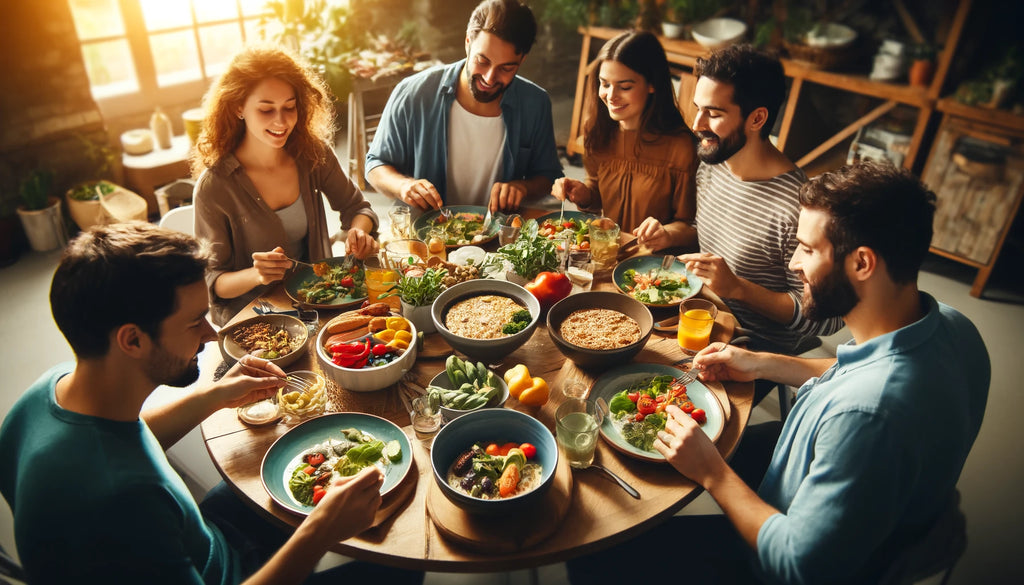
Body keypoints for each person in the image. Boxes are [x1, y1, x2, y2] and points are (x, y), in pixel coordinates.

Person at [568, 161, 990, 584]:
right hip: (869, 496)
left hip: (786, 561)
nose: (792, 264)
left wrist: (712, 473)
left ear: (862, 263)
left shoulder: (864, 417)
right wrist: (766, 363)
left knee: (593, 555)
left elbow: (797, 565)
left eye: (807, 249)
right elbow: (862, 370)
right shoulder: (953, 326)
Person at [0, 223, 422, 584]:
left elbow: (122, 439)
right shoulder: (121, 502)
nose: (209, 334)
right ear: (132, 339)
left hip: (195, 539)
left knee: (266, 478)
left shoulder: (46, 392)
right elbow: (119, 484)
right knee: (404, 563)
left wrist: (215, 394)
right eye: (192, 322)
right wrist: (319, 534)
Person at [193, 44, 379, 326]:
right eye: (266, 110)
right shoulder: (215, 187)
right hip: (254, 320)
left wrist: (358, 232)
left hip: (320, 303)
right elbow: (213, 280)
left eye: (289, 107)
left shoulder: (312, 154)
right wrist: (257, 274)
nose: (281, 121)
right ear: (238, 107)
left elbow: (358, 207)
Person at [677, 45, 843, 355]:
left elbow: (825, 320)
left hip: (759, 347)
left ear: (757, 119)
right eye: (697, 107)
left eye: (713, 113)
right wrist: (670, 232)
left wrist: (739, 289)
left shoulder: (799, 208)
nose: (696, 123)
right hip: (704, 316)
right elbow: (710, 230)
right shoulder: (714, 166)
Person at [365, 0, 563, 213]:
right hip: (426, 239)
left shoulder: (536, 103)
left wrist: (522, 187)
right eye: (483, 60)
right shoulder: (413, 93)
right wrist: (403, 186)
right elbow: (375, 165)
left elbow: (549, 177)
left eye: (506, 68)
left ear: (522, 60)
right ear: (468, 42)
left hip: (501, 239)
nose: (489, 78)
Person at [551, 30, 698, 252]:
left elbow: (692, 227)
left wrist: (666, 233)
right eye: (605, 84)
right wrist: (582, 193)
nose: (611, 96)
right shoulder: (597, 129)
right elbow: (598, 194)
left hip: (656, 267)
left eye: (625, 86)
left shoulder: (681, 146)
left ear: (652, 84)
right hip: (607, 254)